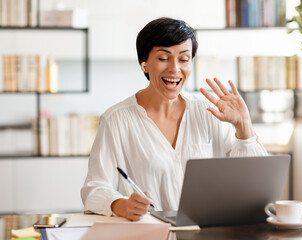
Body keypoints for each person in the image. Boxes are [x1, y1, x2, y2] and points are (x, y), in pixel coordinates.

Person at [81, 17, 268, 221]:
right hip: (150, 232)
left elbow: (254, 183)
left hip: (208, 231)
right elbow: (94, 189)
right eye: (163, 58)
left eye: (184, 59)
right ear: (144, 64)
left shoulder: (210, 112)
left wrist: (243, 125)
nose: (174, 69)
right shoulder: (117, 120)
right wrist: (121, 205)